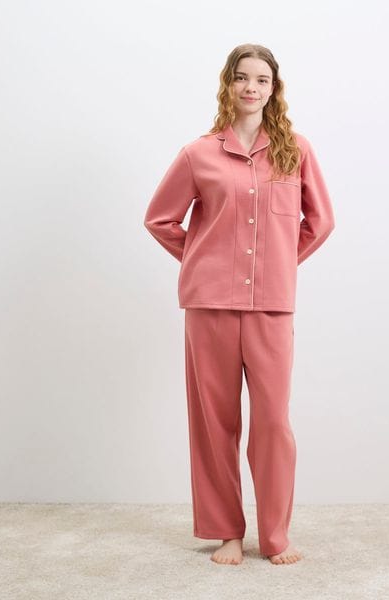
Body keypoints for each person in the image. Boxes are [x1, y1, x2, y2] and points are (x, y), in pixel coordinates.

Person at [144, 43, 335, 566]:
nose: (251, 87)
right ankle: (226, 531)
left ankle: (275, 535)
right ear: (228, 84)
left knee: (272, 422)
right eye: (242, 77)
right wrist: (203, 259)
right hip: (209, 306)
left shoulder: (296, 150)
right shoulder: (198, 154)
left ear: (274, 89)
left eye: (262, 79)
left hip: (271, 306)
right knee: (214, 423)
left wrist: (278, 263)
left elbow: (319, 222)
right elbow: (160, 219)